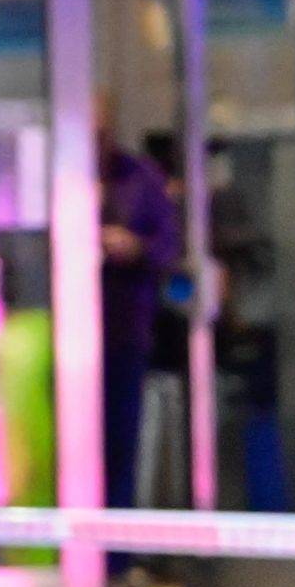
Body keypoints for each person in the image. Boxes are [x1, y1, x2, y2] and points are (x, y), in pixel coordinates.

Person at [97, 96, 181, 517]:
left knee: (119, 444)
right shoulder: (56, 176)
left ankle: (115, 562)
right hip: (56, 337)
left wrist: (134, 247)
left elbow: (169, 246)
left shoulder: (139, 178)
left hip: (123, 330)